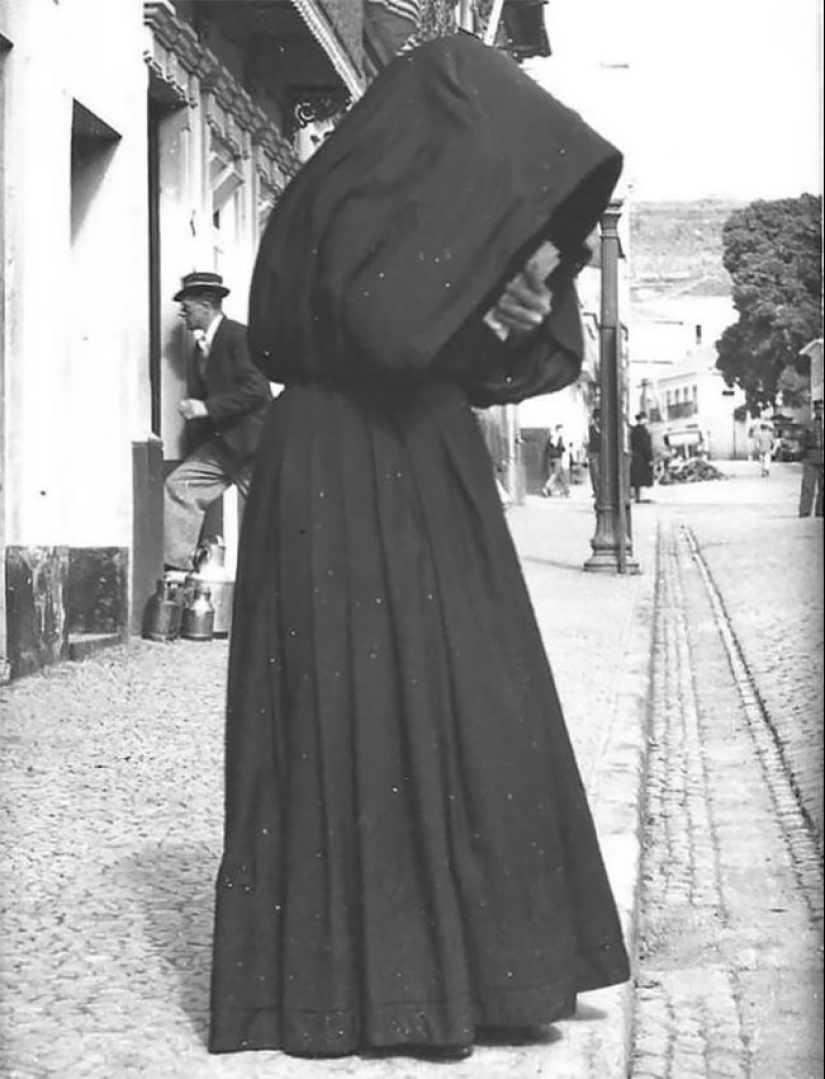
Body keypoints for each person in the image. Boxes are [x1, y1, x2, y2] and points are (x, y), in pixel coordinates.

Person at [209, 29, 629, 1062]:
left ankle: (482, 968)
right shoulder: (350, 205)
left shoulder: (407, 217)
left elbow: (457, 348)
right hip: (339, 470)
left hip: (423, 460)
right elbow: (389, 327)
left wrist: (504, 309)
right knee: (355, 704)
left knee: (469, 695)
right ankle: (367, 988)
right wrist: (479, 305)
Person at [162, 271, 272, 574]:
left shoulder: (239, 337)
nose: (182, 312)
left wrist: (207, 408)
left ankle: (266, 584)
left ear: (207, 305)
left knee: (260, 520)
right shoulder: (200, 348)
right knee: (178, 487)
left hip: (253, 448)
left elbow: (256, 391)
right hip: (223, 449)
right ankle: (179, 571)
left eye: (187, 305)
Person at [798, 399, 823, 517]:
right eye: (819, 409)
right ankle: (805, 510)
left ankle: (821, 511)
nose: (821, 412)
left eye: (822, 409)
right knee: (808, 486)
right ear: (815, 410)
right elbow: (802, 442)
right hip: (810, 458)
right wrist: (803, 457)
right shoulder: (809, 425)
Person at [629, 411, 654, 503]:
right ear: (642, 419)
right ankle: (642, 497)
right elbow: (646, 445)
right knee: (643, 477)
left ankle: (637, 497)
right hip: (642, 457)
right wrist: (650, 458)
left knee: (637, 478)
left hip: (636, 456)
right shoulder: (643, 431)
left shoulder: (634, 430)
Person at [541, 425, 570, 497]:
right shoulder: (557, 437)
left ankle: (566, 490)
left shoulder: (551, 437)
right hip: (557, 457)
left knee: (559, 473)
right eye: (561, 430)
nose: (562, 432)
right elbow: (560, 447)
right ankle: (546, 487)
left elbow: (549, 447)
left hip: (551, 457)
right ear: (558, 430)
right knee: (556, 473)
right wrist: (564, 449)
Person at [587, 406, 602, 500]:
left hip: (601, 452)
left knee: (600, 472)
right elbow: (588, 441)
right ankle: (596, 490)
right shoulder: (591, 428)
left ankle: (600, 490)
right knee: (594, 472)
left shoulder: (603, 428)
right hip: (593, 452)